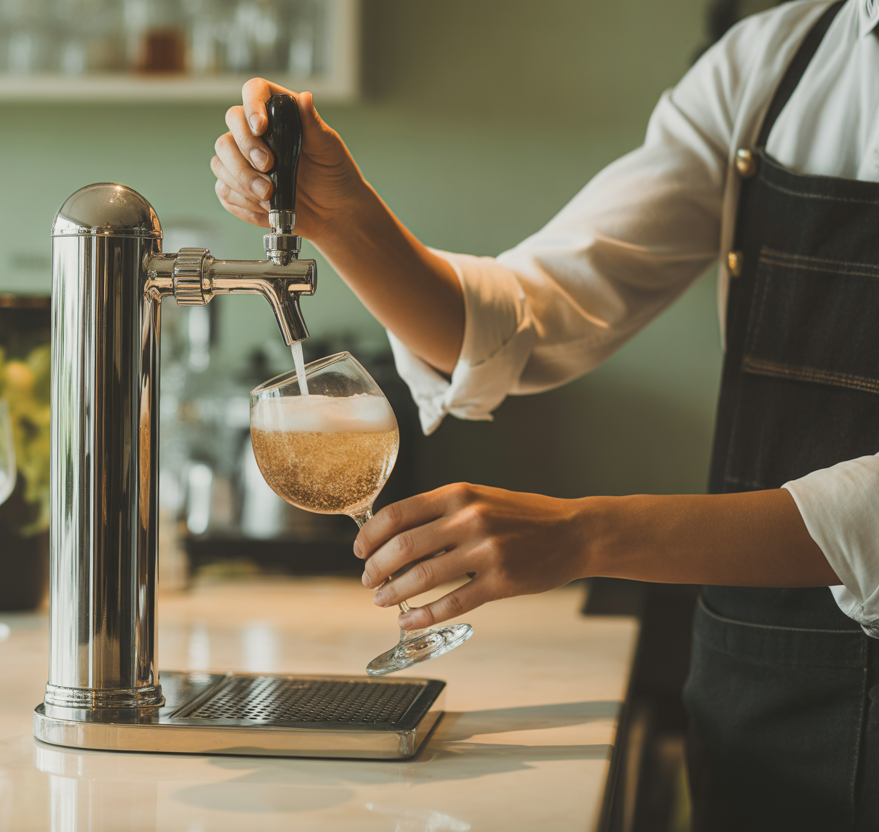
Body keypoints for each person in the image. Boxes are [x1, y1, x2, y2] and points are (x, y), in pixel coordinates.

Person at [212, 1, 878, 828]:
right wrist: (341, 216)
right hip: (760, 683)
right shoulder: (777, 62)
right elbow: (536, 314)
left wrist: (588, 532)